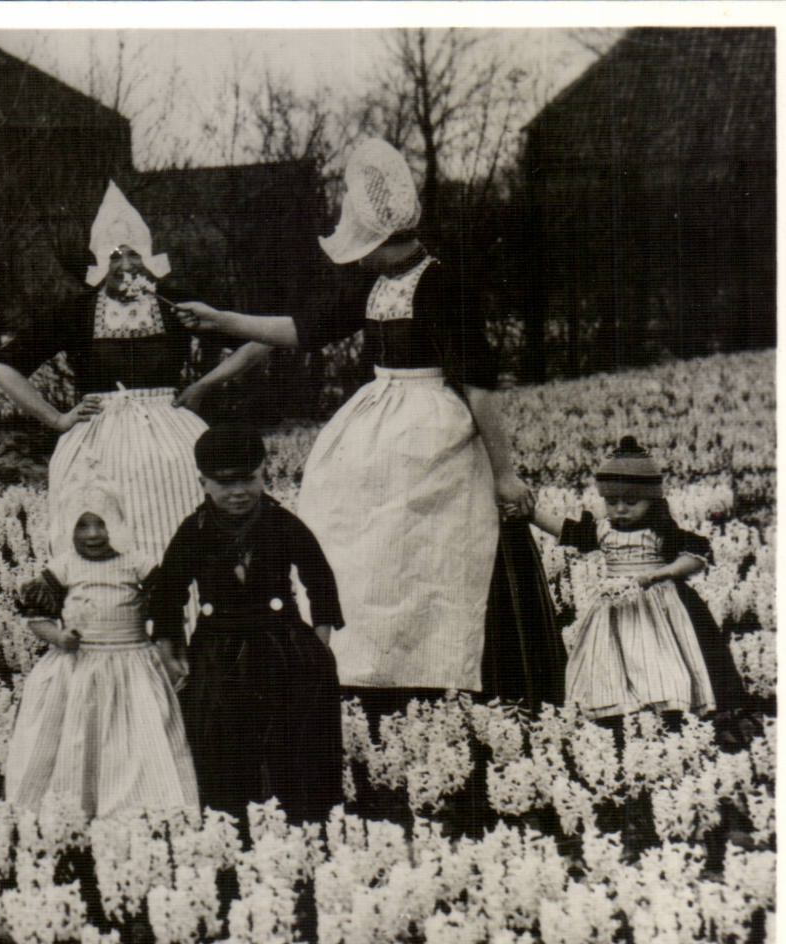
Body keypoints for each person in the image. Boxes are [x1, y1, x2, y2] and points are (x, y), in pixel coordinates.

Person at [176, 139, 533, 722]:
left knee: (422, 552)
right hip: (378, 420)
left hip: (432, 429)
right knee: (351, 535)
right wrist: (219, 319)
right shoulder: (374, 286)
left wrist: (505, 473)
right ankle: (363, 665)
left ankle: (426, 672)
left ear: (378, 241)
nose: (356, 259)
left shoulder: (443, 285)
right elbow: (300, 329)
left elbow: (479, 386)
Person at [0, 181, 265, 561]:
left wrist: (204, 384)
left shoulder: (174, 303)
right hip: (98, 437)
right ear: (101, 262)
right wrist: (55, 419)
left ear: (148, 258)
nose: (125, 266)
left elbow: (259, 340)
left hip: (173, 432)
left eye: (133, 255)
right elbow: (4, 367)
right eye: (115, 257)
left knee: (183, 513)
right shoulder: (77, 311)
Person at [147, 423, 344, 828]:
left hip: (282, 644)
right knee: (224, 732)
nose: (239, 492)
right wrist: (170, 651)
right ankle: (231, 818)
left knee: (295, 730)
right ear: (202, 482)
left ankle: (305, 816)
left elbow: (319, 578)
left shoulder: (282, 523)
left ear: (263, 474)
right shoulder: (194, 531)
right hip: (219, 646)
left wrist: (319, 642)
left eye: (249, 480)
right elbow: (169, 592)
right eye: (225, 483)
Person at [526, 436, 747, 733]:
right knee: (613, 657)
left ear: (652, 500)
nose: (621, 509)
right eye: (612, 501)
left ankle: (668, 714)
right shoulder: (603, 530)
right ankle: (619, 715)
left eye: (631, 502)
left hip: (661, 604)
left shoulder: (660, 529)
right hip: (614, 608)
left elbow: (697, 556)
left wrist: (659, 574)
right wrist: (530, 514)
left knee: (662, 657)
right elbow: (568, 532)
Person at [4, 486, 197, 818]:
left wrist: (169, 649)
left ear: (118, 526)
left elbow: (167, 606)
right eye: (83, 525)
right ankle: (73, 804)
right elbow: (36, 617)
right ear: (68, 528)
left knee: (138, 736)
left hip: (132, 664)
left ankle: (142, 806)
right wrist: (59, 636)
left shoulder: (136, 563)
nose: (93, 534)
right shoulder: (65, 566)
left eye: (101, 524)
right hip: (79, 666)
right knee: (77, 736)